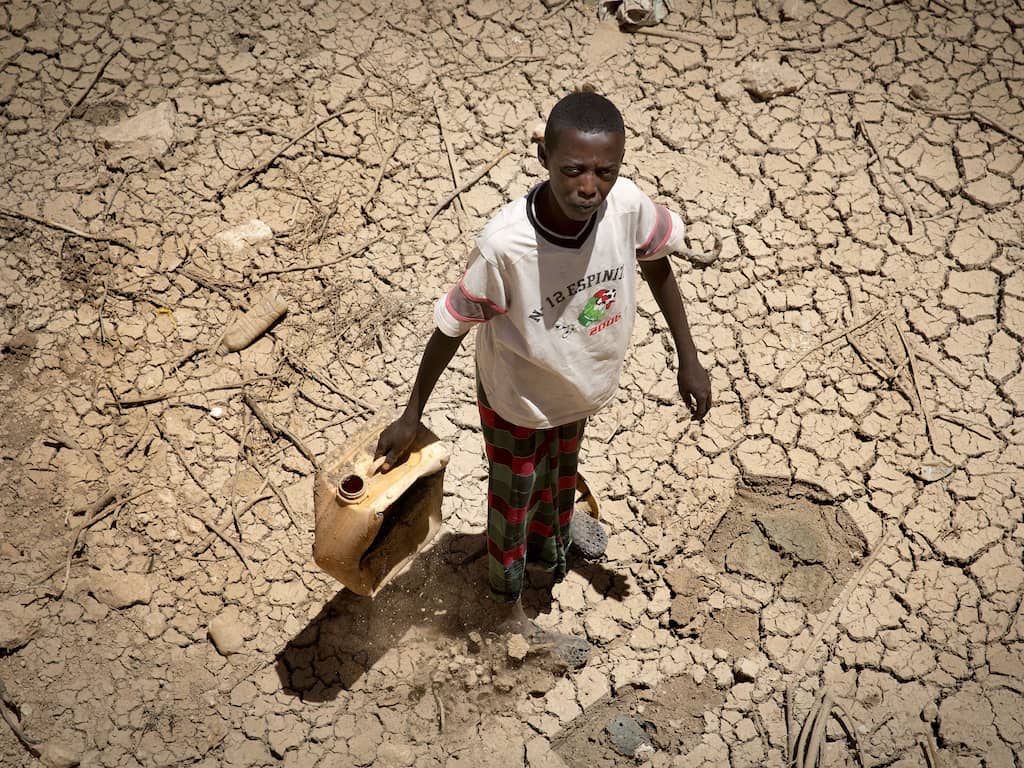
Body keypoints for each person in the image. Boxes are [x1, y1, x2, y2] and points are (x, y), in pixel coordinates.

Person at [375, 90, 711, 667]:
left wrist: (689, 357)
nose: (590, 187)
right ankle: (507, 610)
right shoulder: (506, 247)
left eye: (605, 171)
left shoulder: (627, 207)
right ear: (544, 160)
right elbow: (450, 328)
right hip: (518, 401)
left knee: (562, 469)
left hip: (576, 389)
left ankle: (554, 542)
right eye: (573, 170)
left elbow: (658, 266)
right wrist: (412, 414)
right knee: (514, 501)